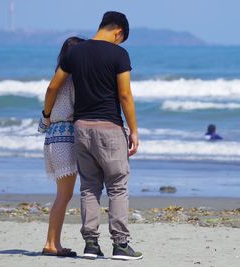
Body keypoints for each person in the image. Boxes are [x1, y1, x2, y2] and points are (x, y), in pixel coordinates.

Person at [42, 11, 142, 260]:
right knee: (117, 186)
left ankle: (91, 245)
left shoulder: (74, 52)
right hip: (109, 127)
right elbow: (125, 95)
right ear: (118, 31)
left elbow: (54, 86)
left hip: (81, 128)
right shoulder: (119, 54)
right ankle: (120, 245)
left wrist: (46, 114)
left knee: (89, 187)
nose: (119, 43)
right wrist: (135, 131)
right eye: (121, 38)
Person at [39, 36, 85, 257]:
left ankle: (53, 242)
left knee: (62, 195)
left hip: (52, 136)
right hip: (66, 137)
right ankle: (51, 243)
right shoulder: (75, 79)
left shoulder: (59, 77)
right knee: (63, 196)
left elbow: (49, 92)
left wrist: (45, 116)